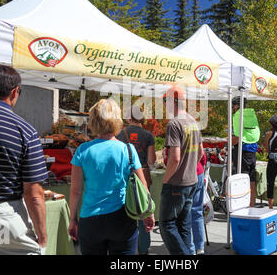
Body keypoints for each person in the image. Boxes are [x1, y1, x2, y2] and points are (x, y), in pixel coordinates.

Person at [0, 65, 48, 255]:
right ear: (15, 92)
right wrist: (42, 233)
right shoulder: (25, 131)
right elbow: (34, 194)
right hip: (3, 216)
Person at [68, 98, 155, 255]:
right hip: (122, 218)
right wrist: (148, 213)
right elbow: (143, 187)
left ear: (94, 120)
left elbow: (75, 191)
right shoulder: (128, 150)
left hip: (90, 219)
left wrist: (72, 220)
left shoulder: (82, 150)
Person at [159, 85, 203, 255]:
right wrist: (189, 168)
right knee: (183, 224)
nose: (165, 107)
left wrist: (166, 179)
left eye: (165, 102)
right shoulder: (193, 121)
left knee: (167, 224)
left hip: (177, 184)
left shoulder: (174, 124)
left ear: (172, 102)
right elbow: (200, 153)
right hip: (192, 182)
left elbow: (175, 158)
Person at [116, 104, 156, 255]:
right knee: (143, 210)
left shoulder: (120, 134)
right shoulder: (148, 135)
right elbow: (151, 160)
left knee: (126, 211)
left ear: (128, 117)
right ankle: (144, 249)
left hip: (125, 176)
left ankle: (127, 248)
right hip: (143, 175)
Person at [231, 96, 259, 207]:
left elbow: (237, 137)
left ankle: (244, 205)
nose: (232, 108)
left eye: (233, 106)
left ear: (236, 106)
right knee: (251, 178)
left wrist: (227, 144)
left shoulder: (238, 116)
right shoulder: (251, 114)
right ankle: (252, 202)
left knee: (242, 178)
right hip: (252, 149)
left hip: (242, 150)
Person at [190, 152, 206, 255]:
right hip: (198, 172)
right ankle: (199, 248)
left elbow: (173, 159)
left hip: (185, 175)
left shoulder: (174, 135)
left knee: (184, 215)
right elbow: (202, 155)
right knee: (197, 212)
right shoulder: (196, 134)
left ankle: (190, 249)